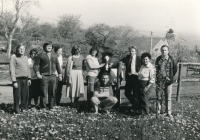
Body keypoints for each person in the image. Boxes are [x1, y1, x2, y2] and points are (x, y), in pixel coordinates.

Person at [34, 42, 62, 110]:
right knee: (43, 93)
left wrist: (60, 74)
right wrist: (38, 73)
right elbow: (35, 65)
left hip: (53, 76)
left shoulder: (54, 55)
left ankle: (51, 106)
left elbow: (58, 65)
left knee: (52, 92)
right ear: (44, 47)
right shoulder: (40, 55)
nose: (49, 47)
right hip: (44, 76)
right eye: (47, 46)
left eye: (50, 46)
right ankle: (43, 107)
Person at [155, 45, 177, 118]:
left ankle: (169, 112)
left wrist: (170, 77)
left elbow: (174, 70)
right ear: (161, 51)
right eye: (162, 50)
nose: (164, 52)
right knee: (159, 97)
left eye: (165, 50)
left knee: (168, 97)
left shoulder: (172, 59)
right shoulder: (158, 59)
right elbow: (156, 69)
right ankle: (159, 111)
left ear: (168, 51)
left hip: (168, 81)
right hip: (159, 81)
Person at [10, 45, 31, 113]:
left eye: (23, 49)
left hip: (25, 79)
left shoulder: (26, 57)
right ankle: (17, 110)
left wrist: (29, 78)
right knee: (17, 96)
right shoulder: (14, 57)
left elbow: (28, 68)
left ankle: (24, 108)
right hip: (17, 79)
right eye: (20, 49)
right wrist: (14, 81)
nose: (22, 50)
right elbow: (12, 69)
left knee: (25, 95)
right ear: (17, 49)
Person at [120, 46, 141, 111]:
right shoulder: (127, 57)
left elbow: (144, 66)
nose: (131, 52)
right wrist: (120, 64)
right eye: (130, 51)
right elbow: (120, 61)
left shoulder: (139, 58)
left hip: (136, 77)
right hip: (129, 77)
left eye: (133, 51)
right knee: (127, 92)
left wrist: (139, 73)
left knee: (135, 93)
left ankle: (135, 107)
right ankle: (136, 104)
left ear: (135, 52)